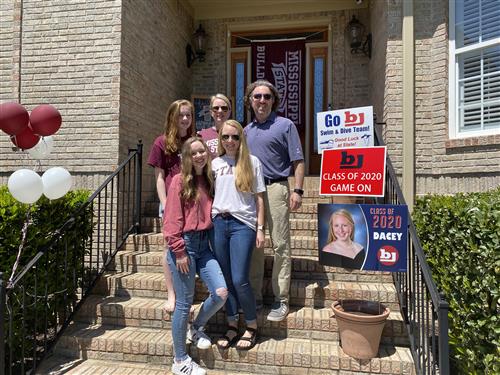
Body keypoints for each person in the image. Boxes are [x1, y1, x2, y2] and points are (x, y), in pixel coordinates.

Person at [164, 137, 228, 375]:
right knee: (183, 304)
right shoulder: (180, 181)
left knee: (221, 293)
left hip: (204, 247)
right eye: (194, 153)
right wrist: (179, 251)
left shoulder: (209, 180)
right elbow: (171, 221)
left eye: (202, 151)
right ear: (187, 158)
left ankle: (197, 325)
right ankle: (180, 360)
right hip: (185, 246)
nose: (200, 155)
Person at [243, 79, 305, 322]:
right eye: (257, 96)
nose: (262, 100)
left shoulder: (285, 125)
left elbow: (298, 161)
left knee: (280, 245)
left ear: (273, 101)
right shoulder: (245, 131)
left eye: (267, 97)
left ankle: (281, 300)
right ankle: (255, 297)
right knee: (256, 247)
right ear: (250, 100)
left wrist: (297, 190)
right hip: (251, 193)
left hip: (277, 188)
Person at [211, 120, 265, 350]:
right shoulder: (214, 164)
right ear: (220, 140)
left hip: (243, 224)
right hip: (218, 224)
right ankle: (232, 323)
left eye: (234, 137)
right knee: (224, 279)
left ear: (241, 138)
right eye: (226, 137)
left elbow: (259, 199)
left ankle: (251, 325)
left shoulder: (252, 162)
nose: (230, 141)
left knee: (239, 279)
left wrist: (260, 228)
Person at [147, 99, 195, 313]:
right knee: (170, 250)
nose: (185, 119)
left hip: (192, 202)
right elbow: (159, 177)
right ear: (172, 117)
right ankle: (172, 294)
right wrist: (165, 204)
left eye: (188, 115)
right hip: (171, 204)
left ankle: (187, 292)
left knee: (189, 247)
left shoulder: (195, 141)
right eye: (181, 115)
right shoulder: (161, 142)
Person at [198, 93, 232, 159]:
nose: (220, 111)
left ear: (229, 112)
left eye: (224, 108)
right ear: (211, 112)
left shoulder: (237, 133)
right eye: (216, 108)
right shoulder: (202, 135)